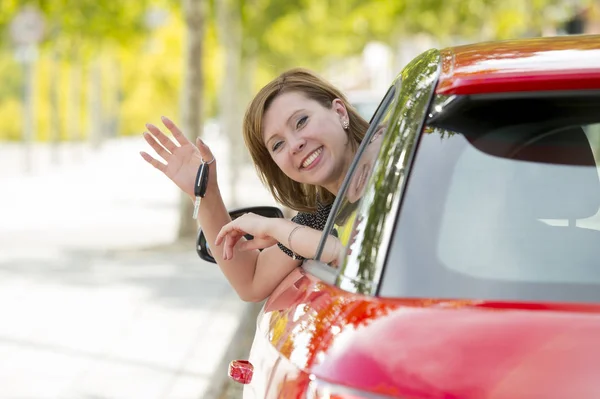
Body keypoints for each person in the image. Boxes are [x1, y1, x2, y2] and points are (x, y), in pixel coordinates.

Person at [140, 68, 369, 302]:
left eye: (301, 121)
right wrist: (206, 193)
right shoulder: (325, 213)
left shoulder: (398, 165)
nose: (294, 145)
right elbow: (251, 281)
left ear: (340, 112)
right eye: (277, 145)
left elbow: (358, 257)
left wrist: (273, 227)